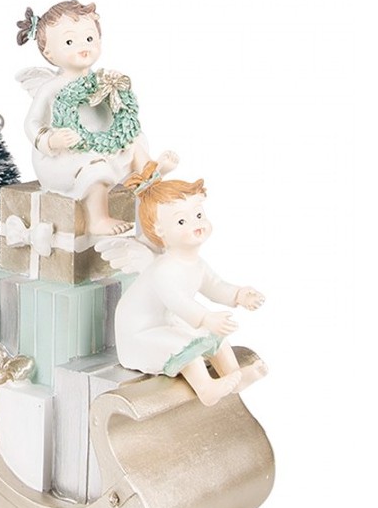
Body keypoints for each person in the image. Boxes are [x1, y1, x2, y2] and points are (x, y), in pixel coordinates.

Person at [15, 0, 177, 235]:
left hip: (101, 143)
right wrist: (51, 140)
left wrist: (117, 98)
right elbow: (31, 123)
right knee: (95, 166)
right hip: (64, 156)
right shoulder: (51, 88)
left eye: (90, 38)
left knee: (134, 140)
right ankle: (97, 219)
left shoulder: (103, 81)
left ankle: (151, 182)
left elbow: (117, 117)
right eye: (69, 42)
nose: (83, 46)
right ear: (48, 52)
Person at [111, 166, 267, 406]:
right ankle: (206, 389)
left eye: (199, 215)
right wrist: (205, 318)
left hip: (166, 325)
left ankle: (234, 375)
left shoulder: (195, 264)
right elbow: (178, 302)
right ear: (160, 230)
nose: (196, 224)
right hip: (140, 336)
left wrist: (238, 294)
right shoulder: (164, 270)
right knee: (187, 344)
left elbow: (215, 285)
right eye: (182, 221)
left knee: (214, 334)